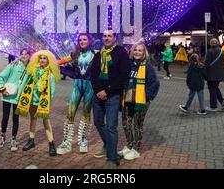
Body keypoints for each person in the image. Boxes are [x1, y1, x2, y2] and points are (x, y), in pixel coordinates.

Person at [90, 30, 131, 169]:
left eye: (109, 36)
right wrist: (98, 91)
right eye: (105, 36)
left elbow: (123, 75)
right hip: (98, 95)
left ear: (114, 38)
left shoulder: (121, 52)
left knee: (111, 126)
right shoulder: (99, 54)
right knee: (98, 122)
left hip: (113, 95)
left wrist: (107, 91)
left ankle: (112, 159)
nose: (106, 38)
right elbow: (93, 74)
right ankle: (109, 146)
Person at [56, 33, 95, 155]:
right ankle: (66, 142)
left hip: (90, 86)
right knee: (70, 112)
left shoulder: (96, 54)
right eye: (80, 40)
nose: (82, 41)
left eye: (84, 39)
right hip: (77, 85)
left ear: (89, 41)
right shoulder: (75, 54)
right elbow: (60, 61)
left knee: (86, 113)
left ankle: (83, 140)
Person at [119, 42, 159, 161]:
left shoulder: (147, 66)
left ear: (144, 53)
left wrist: (147, 97)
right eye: (135, 50)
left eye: (140, 50)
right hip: (127, 99)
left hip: (140, 101)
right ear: (132, 51)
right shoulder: (128, 64)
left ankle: (136, 149)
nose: (137, 52)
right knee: (126, 124)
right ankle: (129, 145)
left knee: (137, 125)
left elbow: (155, 83)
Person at [16, 50, 59, 157]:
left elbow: (52, 91)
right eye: (41, 58)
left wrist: (49, 102)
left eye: (45, 58)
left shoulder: (50, 75)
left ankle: (51, 144)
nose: (42, 60)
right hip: (32, 100)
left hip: (43, 102)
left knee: (46, 122)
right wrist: (17, 60)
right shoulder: (33, 71)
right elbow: (25, 80)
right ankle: (31, 140)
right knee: (33, 119)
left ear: (48, 60)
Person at [0, 48, 31, 151]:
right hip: (7, 95)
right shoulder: (13, 65)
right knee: (5, 117)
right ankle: (2, 137)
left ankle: (14, 139)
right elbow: (0, 77)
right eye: (22, 54)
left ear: (29, 56)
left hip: (19, 97)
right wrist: (2, 88)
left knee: (16, 118)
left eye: (26, 54)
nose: (24, 56)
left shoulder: (31, 68)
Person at [205, 38, 224, 112]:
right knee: (215, 87)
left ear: (211, 44)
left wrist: (205, 73)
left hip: (211, 74)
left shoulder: (209, 51)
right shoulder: (222, 51)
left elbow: (207, 64)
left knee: (212, 89)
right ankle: (222, 102)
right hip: (220, 74)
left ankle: (213, 106)